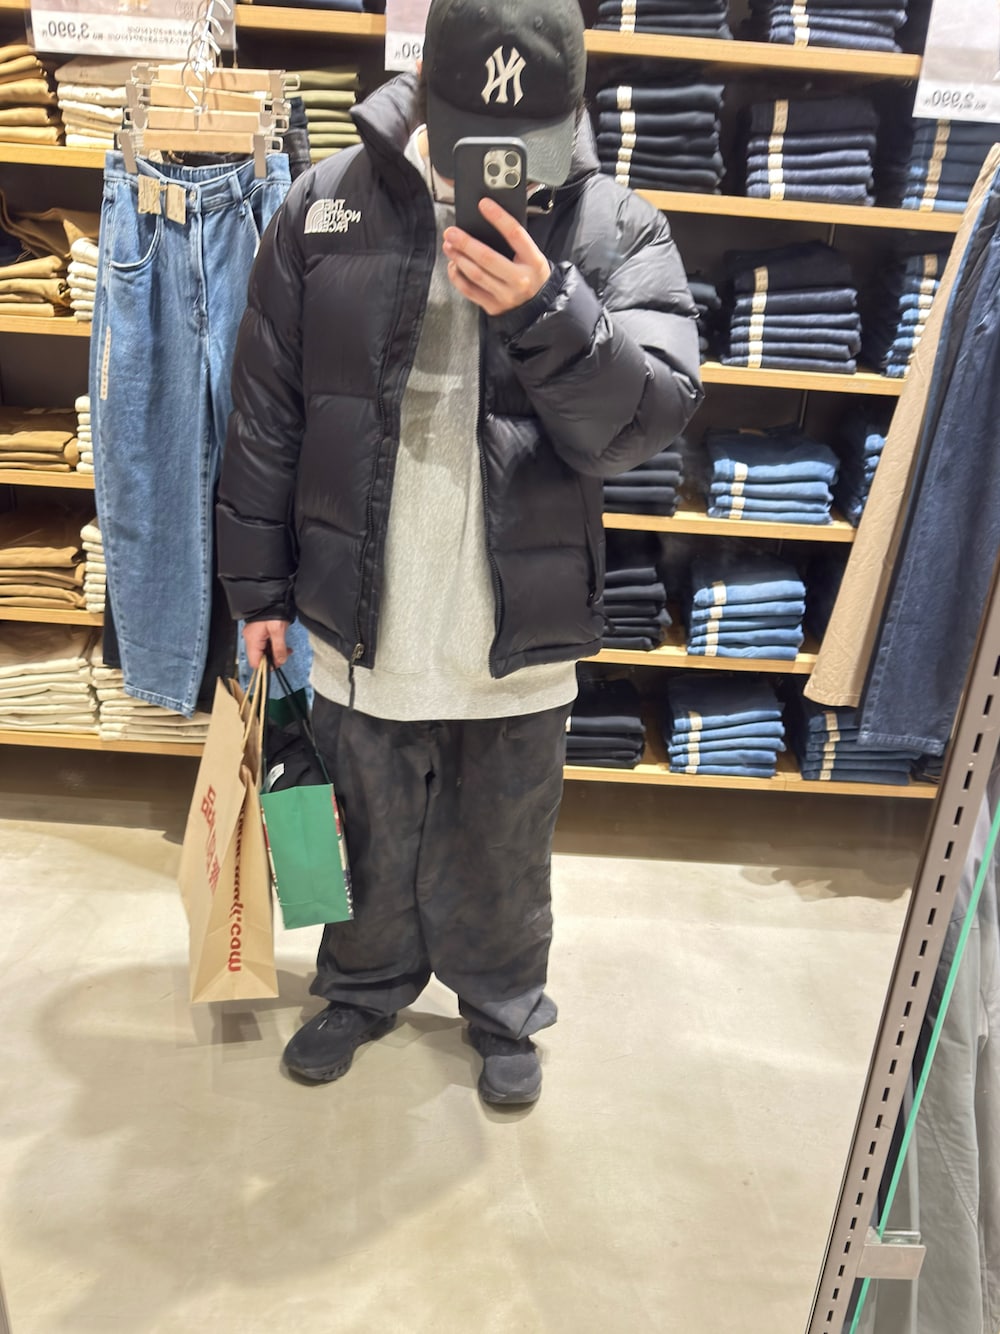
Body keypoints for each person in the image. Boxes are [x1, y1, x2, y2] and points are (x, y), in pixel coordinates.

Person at [217, 0, 702, 1106]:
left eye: (529, 136)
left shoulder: (613, 226)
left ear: (571, 109)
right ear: (425, 90)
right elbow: (266, 414)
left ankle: (502, 1003)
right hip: (362, 607)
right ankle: (364, 982)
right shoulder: (324, 203)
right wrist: (256, 589)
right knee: (363, 822)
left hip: (515, 621)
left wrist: (549, 310)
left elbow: (645, 421)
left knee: (504, 842)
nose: (503, 162)